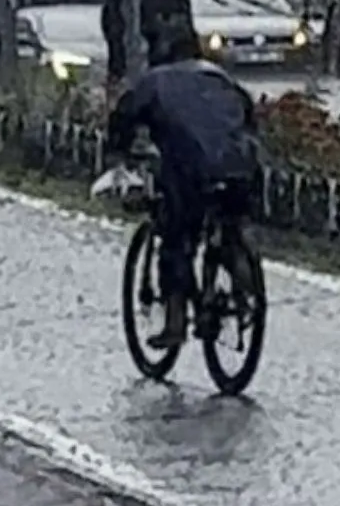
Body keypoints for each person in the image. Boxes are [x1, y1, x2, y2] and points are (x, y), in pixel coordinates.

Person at [104, 34, 263, 351]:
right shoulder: (223, 79)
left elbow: (123, 118)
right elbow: (248, 118)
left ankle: (175, 323)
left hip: (192, 170)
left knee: (175, 241)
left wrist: (118, 156)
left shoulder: (155, 82)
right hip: (241, 165)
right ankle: (245, 288)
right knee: (230, 220)